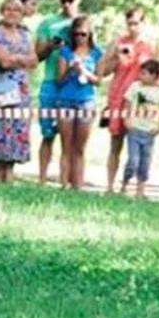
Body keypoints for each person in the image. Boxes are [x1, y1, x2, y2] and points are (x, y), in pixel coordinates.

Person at [98, 7, 155, 193]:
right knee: (116, 142)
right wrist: (113, 54)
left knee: (138, 144)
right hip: (118, 96)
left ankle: (134, 186)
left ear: (143, 24)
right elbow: (104, 70)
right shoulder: (120, 43)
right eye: (129, 23)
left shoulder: (148, 47)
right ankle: (109, 185)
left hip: (139, 100)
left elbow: (154, 76)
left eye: (136, 23)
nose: (133, 27)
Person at [0, 0, 35, 183]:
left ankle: (10, 178)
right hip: (1, 89)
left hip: (21, 91)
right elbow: (3, 61)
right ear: (2, 11)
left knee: (15, 131)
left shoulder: (26, 34)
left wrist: (15, 58)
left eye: (16, 10)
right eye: (8, 9)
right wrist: (21, 59)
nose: (12, 13)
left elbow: (33, 60)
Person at [34, 0, 80, 184]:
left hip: (75, 85)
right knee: (48, 134)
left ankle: (68, 180)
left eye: (71, 0)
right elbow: (37, 55)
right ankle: (42, 178)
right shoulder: (48, 23)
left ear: (79, 0)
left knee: (71, 138)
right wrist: (50, 46)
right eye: (63, 0)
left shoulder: (83, 24)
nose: (67, 4)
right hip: (51, 81)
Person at [54, 15, 105, 191]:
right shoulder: (66, 52)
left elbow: (98, 80)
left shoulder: (97, 53)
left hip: (86, 101)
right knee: (65, 145)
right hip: (66, 100)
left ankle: (78, 185)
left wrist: (84, 70)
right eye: (76, 34)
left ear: (90, 34)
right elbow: (58, 80)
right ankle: (63, 184)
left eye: (83, 34)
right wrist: (70, 69)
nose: (79, 38)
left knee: (80, 147)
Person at [120, 59, 159, 198]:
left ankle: (140, 190)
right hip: (135, 128)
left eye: (145, 73)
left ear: (154, 76)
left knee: (145, 161)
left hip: (149, 131)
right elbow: (127, 103)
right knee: (133, 160)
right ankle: (125, 183)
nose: (141, 76)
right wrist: (127, 119)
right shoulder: (135, 87)